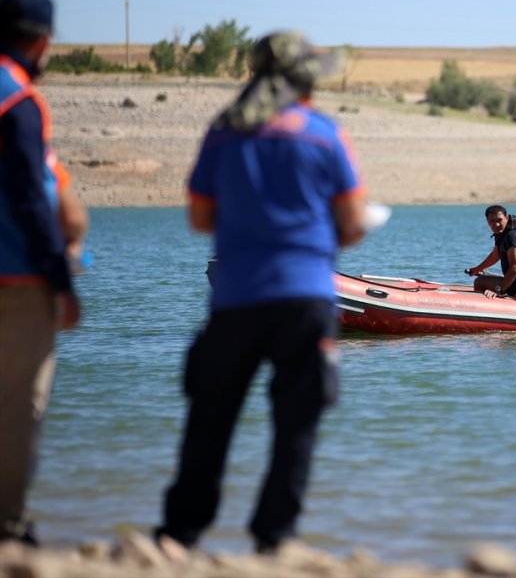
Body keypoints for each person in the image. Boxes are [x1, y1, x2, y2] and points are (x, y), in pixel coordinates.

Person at [155, 31, 368, 556]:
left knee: (211, 419)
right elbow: (354, 223)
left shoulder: (223, 132)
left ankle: (180, 535)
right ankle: (274, 539)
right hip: (306, 298)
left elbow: (200, 217)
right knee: (296, 423)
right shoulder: (324, 135)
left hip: (236, 300)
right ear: (304, 84)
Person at [0, 0, 87, 546]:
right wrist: (61, 279)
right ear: (43, 40)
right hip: (17, 278)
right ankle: (8, 523)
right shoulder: (18, 100)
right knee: (19, 402)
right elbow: (33, 198)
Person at [466, 204, 516, 301]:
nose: (496, 224)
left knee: (479, 282)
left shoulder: (511, 236)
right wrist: (476, 269)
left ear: (506, 218)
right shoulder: (502, 234)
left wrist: (498, 289)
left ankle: (488, 309)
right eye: (492, 221)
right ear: (487, 222)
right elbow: (494, 256)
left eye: (499, 220)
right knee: (484, 278)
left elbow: (515, 268)